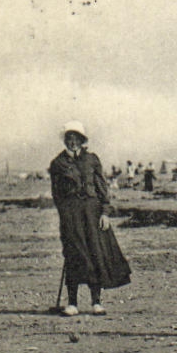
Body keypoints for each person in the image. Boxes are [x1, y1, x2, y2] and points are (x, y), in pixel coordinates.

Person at [49, 121, 131, 316]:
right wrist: (65, 215)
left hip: (93, 214)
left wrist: (105, 212)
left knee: (96, 253)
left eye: (76, 139)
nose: (73, 142)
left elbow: (102, 187)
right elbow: (57, 194)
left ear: (82, 140)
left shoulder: (92, 160)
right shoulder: (58, 164)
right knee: (73, 255)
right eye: (69, 139)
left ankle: (96, 301)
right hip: (71, 215)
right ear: (65, 141)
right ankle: (72, 303)